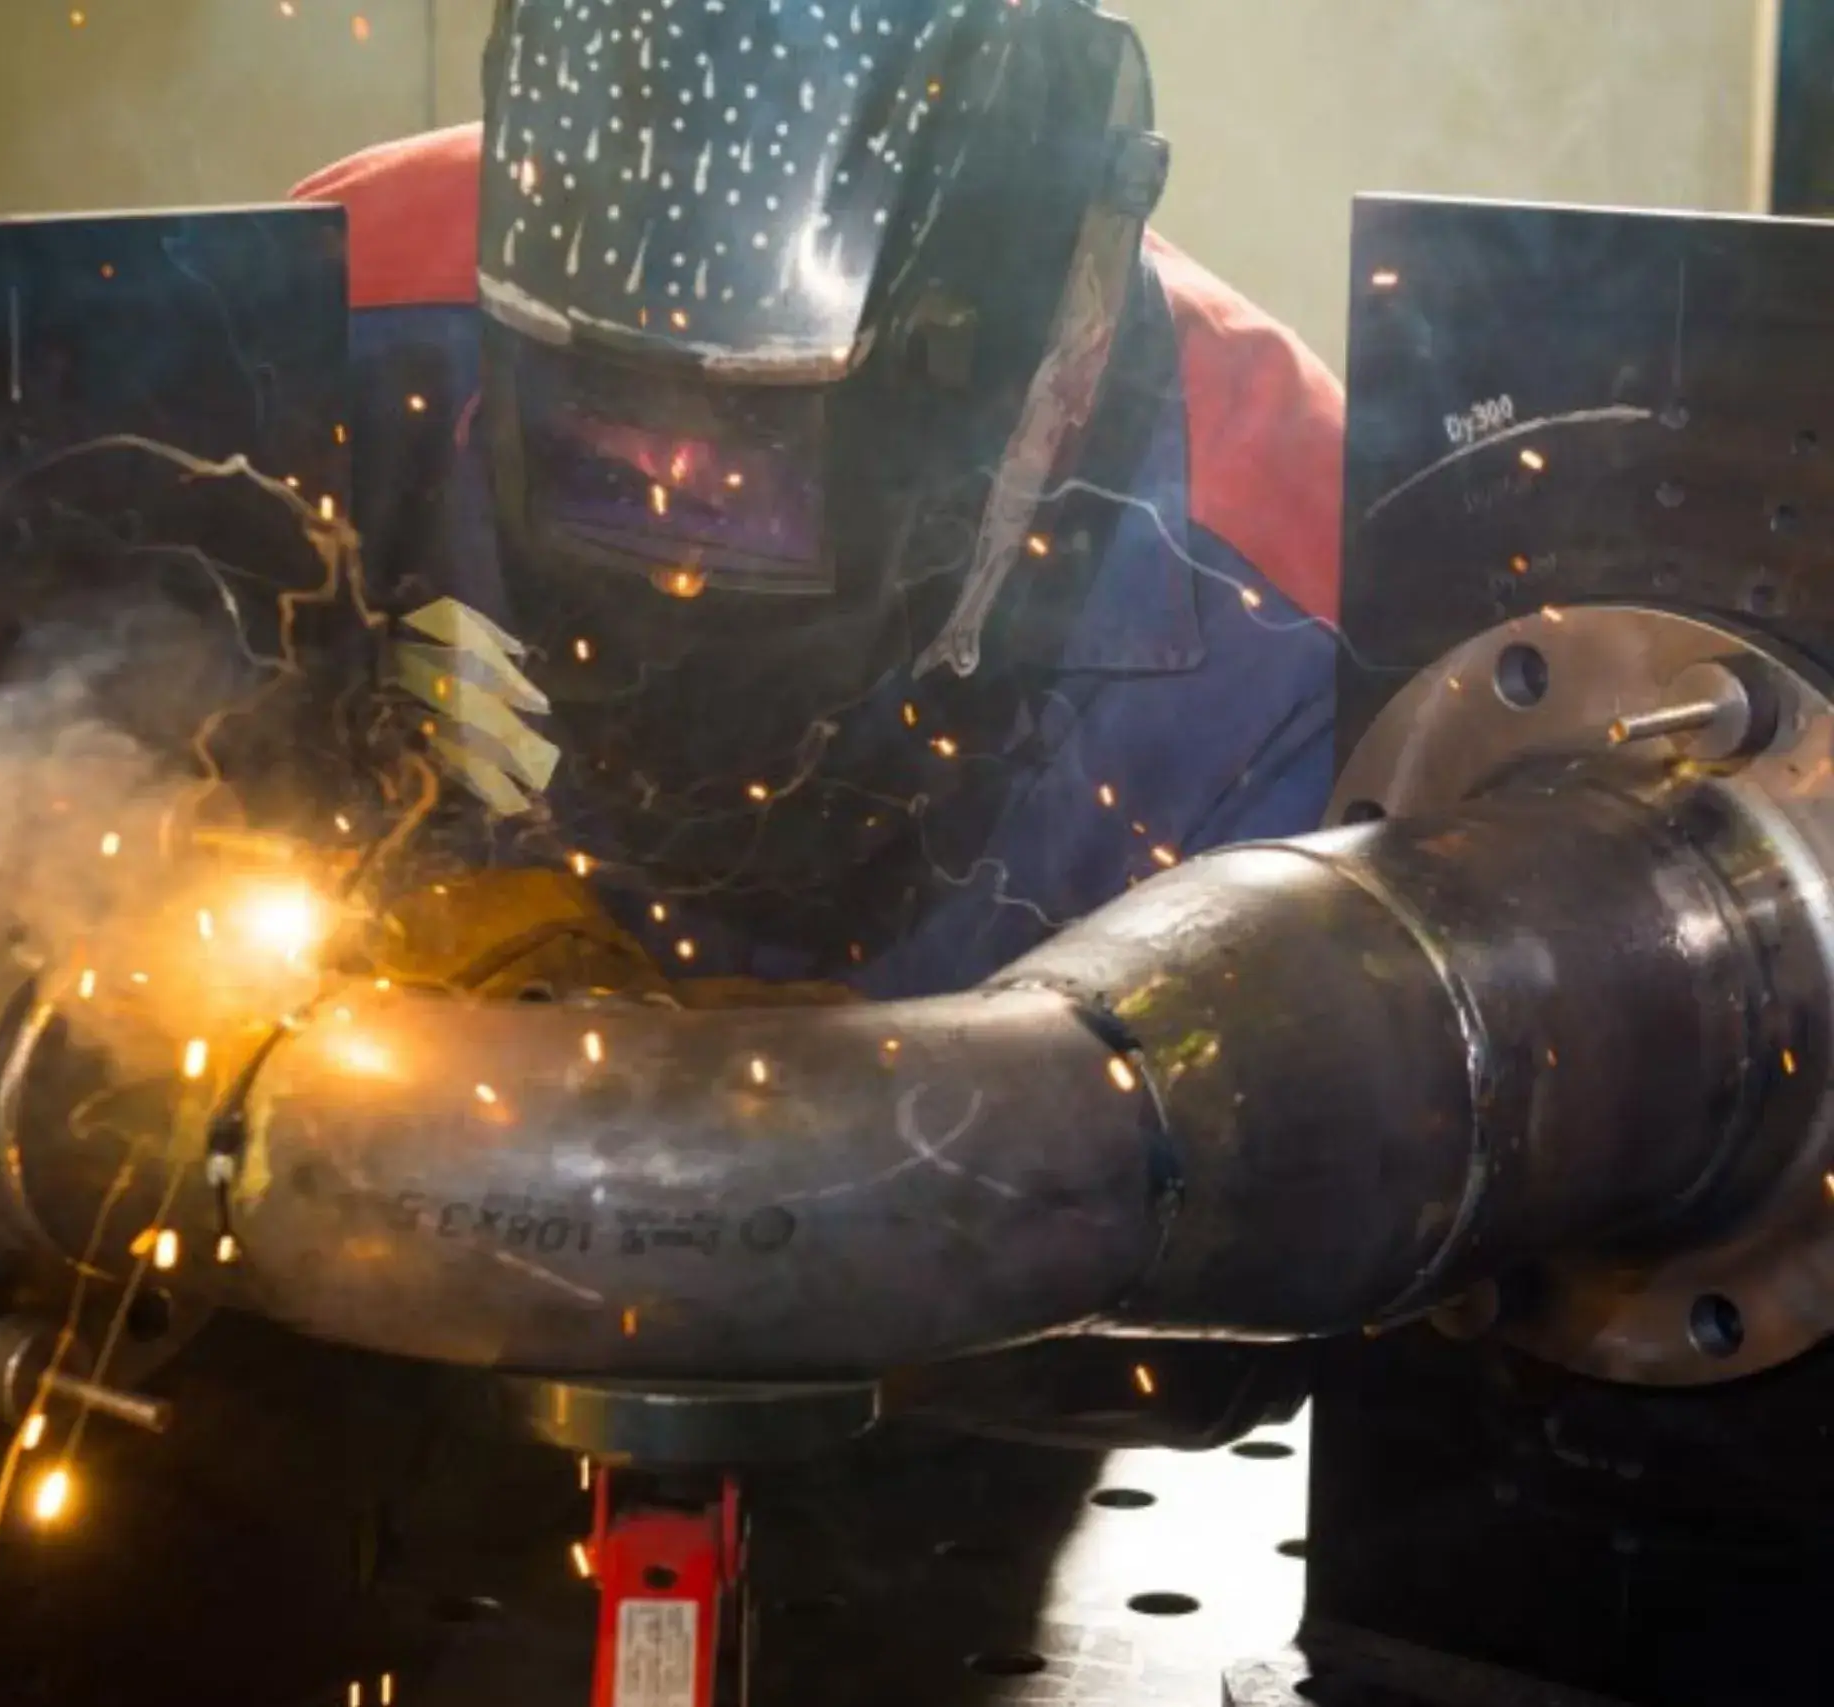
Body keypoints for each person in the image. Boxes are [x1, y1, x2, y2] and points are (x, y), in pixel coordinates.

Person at [293, 2, 1342, 1690]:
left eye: (748, 473)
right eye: (598, 450)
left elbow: (1275, 1293)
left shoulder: (1296, 592)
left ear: (1039, 369)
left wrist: (897, 1194)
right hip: (377, 1384)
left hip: (959, 1467)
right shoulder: (339, 299)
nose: (673, 517)